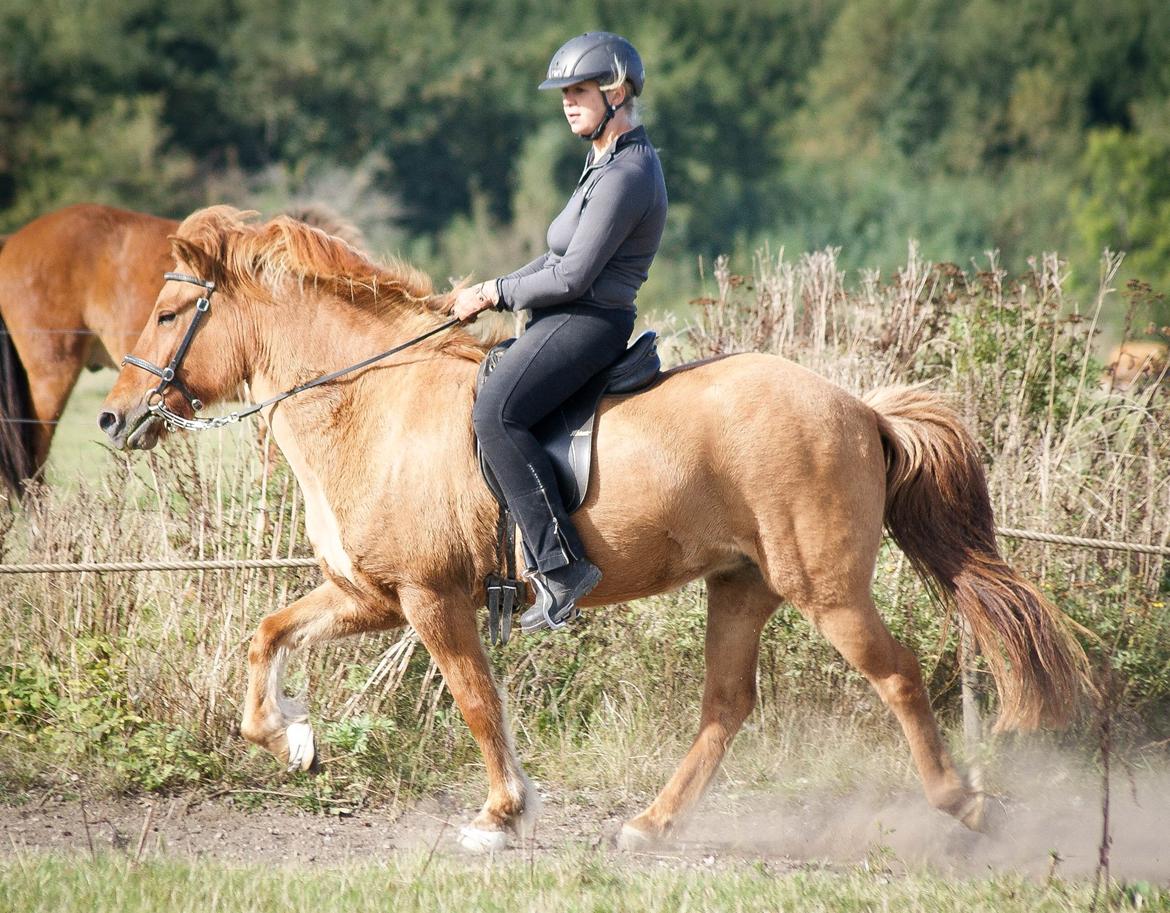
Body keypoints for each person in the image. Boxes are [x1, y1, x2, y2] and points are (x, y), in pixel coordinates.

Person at [449, 31, 668, 633]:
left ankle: (560, 568)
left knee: (496, 414)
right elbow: (549, 262)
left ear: (616, 92)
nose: (567, 102)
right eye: (563, 93)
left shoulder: (627, 173)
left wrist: (495, 294)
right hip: (567, 316)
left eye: (578, 91)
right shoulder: (601, 166)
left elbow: (571, 277)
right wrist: (486, 290)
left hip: (588, 322)